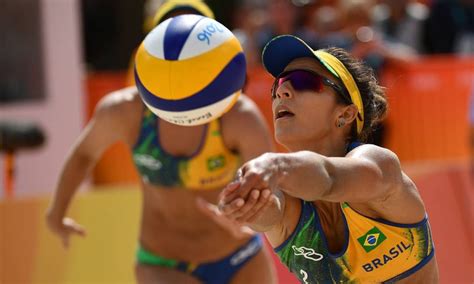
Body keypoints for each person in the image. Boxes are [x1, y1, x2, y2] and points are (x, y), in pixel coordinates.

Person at [45, 1, 277, 283]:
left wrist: (250, 224)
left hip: (240, 257)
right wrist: (56, 213)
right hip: (164, 264)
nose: (182, 46)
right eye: (173, 33)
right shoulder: (125, 111)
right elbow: (84, 154)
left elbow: (271, 188)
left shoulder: (239, 116)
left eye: (193, 35)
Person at [218, 35, 439, 283]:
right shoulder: (285, 193)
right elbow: (266, 213)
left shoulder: (380, 165)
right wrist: (244, 200)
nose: (282, 91)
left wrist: (274, 167)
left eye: (303, 81)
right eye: (277, 85)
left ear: (345, 115)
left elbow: (330, 178)